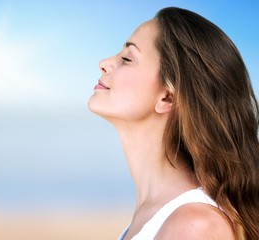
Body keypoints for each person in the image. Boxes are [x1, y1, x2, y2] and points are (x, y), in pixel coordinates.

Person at [88, 6, 259, 240]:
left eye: (127, 58)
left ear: (167, 97)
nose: (104, 63)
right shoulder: (158, 216)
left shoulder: (195, 226)